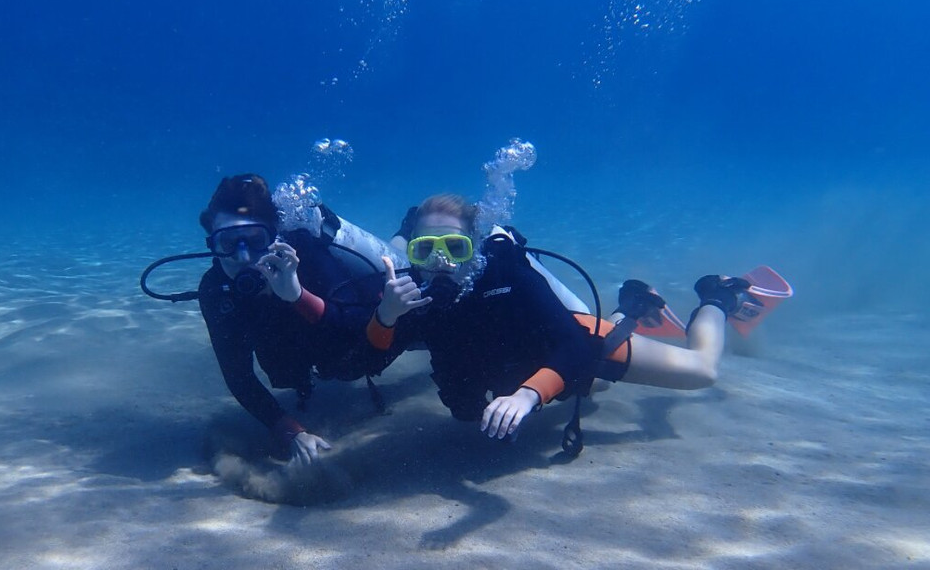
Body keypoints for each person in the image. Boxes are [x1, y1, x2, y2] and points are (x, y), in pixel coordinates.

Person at [367, 193, 750, 454]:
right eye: (424, 249)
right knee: (595, 389)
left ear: (475, 245)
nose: (440, 263)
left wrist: (527, 395)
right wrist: (385, 314)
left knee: (702, 372)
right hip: (526, 367)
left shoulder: (506, 274)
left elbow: (575, 345)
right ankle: (631, 306)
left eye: (454, 247)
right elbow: (365, 362)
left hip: (569, 346)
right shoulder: (409, 294)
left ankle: (716, 295)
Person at [197, 174, 389, 464]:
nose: (243, 256)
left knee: (356, 363)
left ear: (274, 237)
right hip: (296, 354)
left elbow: (363, 325)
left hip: (359, 342)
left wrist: (299, 297)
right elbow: (238, 375)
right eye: (228, 242)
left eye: (254, 240)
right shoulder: (215, 290)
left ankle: (406, 230)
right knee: (284, 372)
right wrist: (292, 432)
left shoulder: (307, 256)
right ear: (212, 243)